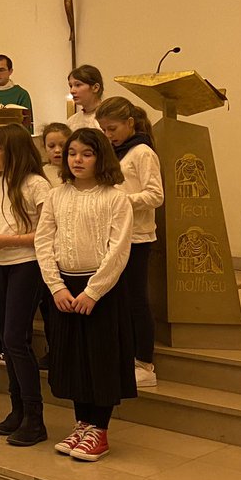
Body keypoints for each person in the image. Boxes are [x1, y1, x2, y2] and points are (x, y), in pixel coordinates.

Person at [36, 128, 135, 462]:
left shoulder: (115, 197)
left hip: (101, 290)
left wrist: (93, 291)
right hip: (65, 288)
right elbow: (43, 241)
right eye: (72, 153)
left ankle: (99, 430)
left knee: (100, 359)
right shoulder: (56, 195)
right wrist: (56, 286)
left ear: (101, 157)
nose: (77, 160)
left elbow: (119, 249)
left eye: (86, 154)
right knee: (74, 359)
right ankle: (82, 424)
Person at [0, 122, 52, 446]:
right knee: (6, 341)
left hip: (27, 264)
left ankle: (36, 419)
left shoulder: (37, 185)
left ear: (13, 151)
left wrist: (8, 240)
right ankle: (17, 409)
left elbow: (48, 233)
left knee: (15, 338)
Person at [96, 97, 164, 388]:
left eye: (112, 129)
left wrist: (121, 201)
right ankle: (124, 355)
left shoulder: (142, 152)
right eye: (104, 131)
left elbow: (155, 195)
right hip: (113, 236)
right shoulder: (115, 152)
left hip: (137, 236)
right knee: (117, 300)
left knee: (136, 299)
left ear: (129, 123)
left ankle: (145, 363)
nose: (109, 136)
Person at [67, 64, 105, 129]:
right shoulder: (72, 122)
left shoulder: (108, 118)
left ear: (95, 88)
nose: (72, 91)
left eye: (78, 85)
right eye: (71, 86)